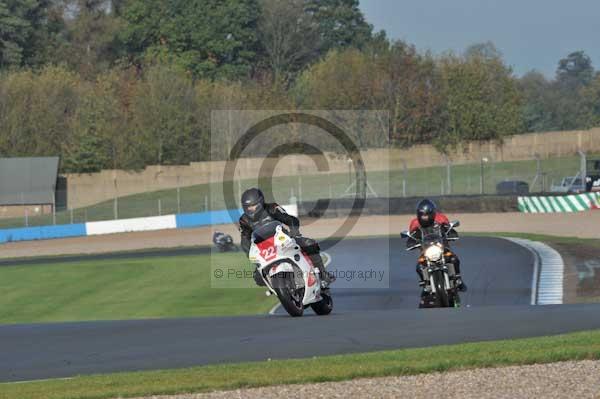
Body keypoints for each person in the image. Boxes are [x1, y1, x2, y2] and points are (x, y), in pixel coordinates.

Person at [239, 188, 335, 288]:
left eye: (253, 205)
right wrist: (250, 254)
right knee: (257, 277)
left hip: (283, 240)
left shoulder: (272, 208)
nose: (251, 209)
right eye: (248, 207)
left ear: (260, 202)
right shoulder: (244, 220)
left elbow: (290, 219)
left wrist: (294, 233)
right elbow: (245, 239)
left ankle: (323, 274)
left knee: (309, 244)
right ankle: (277, 289)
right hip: (264, 249)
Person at [408, 199, 467, 293]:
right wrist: (412, 243)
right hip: (426, 251)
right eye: (423, 215)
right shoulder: (415, 223)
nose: (425, 217)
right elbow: (411, 237)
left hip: (442, 248)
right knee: (419, 266)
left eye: (427, 215)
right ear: (419, 214)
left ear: (432, 213)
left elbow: (449, 230)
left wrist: (451, 233)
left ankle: (458, 279)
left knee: (454, 259)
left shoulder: (441, 219)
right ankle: (425, 284)